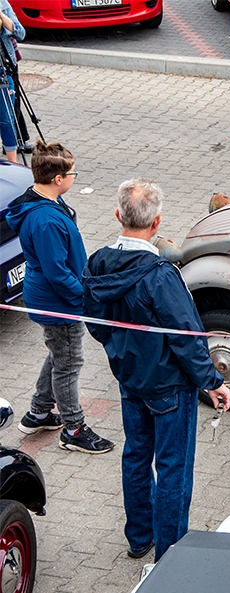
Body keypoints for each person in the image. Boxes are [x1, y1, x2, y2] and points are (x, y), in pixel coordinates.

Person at [82, 178, 230, 563]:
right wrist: (211, 381)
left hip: (130, 379)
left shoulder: (98, 261)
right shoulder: (162, 275)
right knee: (173, 470)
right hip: (168, 385)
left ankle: (139, 537)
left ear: (118, 215)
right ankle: (170, 555)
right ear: (157, 222)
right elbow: (187, 336)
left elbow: (95, 322)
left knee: (135, 456)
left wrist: (119, 351)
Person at [4, 142, 115, 454]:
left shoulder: (46, 202)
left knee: (59, 354)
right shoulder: (47, 220)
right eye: (73, 172)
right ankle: (74, 429)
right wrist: (84, 297)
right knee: (69, 362)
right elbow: (56, 272)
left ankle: (38, 412)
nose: (74, 177)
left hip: (51, 298)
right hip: (57, 302)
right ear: (57, 179)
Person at [0, 0, 24, 162]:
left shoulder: (3, 4)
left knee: (7, 117)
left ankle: (13, 164)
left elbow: (20, 33)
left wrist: (1, 15)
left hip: (3, 69)